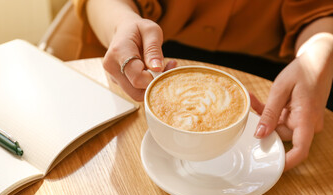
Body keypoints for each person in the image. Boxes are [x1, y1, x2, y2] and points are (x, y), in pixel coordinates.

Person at [72, 0, 333, 171]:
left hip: (278, 63)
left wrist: (318, 52)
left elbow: (321, 10)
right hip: (153, 52)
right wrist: (121, 23)